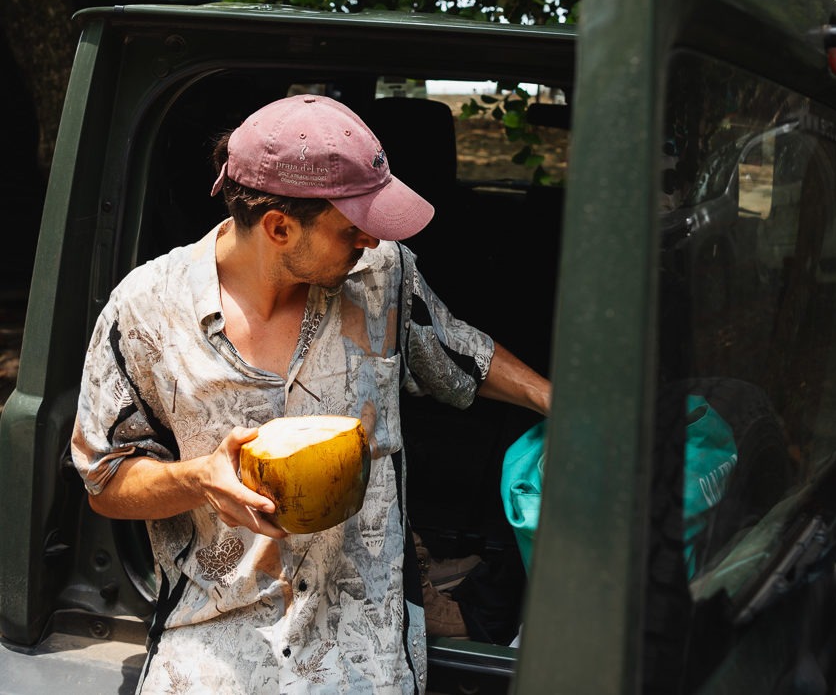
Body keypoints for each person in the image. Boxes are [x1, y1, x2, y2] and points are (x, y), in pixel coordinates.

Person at [71, 94, 551, 694]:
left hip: (363, 649)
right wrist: (199, 479)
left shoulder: (384, 277)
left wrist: (558, 400)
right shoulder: (144, 313)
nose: (370, 244)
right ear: (279, 227)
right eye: (352, 230)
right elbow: (105, 481)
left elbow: (458, 353)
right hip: (215, 646)